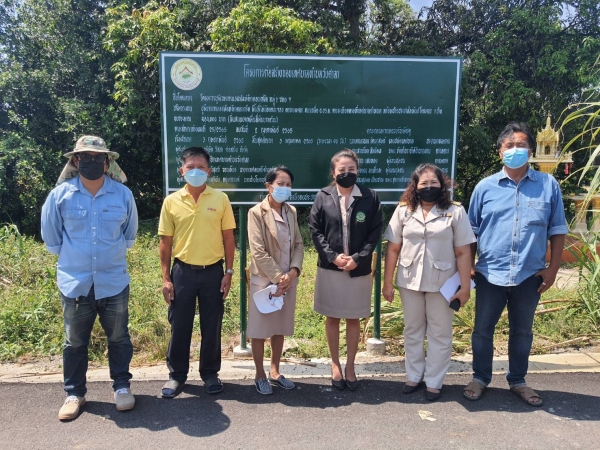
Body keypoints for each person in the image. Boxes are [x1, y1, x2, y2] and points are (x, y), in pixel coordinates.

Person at [464, 122, 568, 407]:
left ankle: (518, 381)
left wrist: (553, 268)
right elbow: (470, 231)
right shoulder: (485, 188)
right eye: (509, 146)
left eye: (521, 145)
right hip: (489, 273)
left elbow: (558, 229)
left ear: (531, 150)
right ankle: (480, 378)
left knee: (522, 332)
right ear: (500, 152)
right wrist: (469, 265)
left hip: (529, 274)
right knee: (482, 330)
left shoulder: (548, 185)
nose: (515, 150)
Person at [41, 135, 138, 420]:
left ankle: (122, 388)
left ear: (107, 162)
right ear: (75, 160)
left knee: (119, 337)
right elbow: (53, 240)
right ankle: (75, 394)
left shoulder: (123, 195)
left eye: (98, 158)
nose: (92, 162)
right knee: (74, 342)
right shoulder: (60, 196)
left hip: (114, 282)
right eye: (85, 157)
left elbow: (129, 236)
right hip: (75, 283)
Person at [382, 163, 476, 401]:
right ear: (415, 186)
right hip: (409, 280)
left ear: (442, 185)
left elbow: (463, 252)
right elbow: (393, 249)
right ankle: (414, 376)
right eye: (423, 183)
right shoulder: (403, 211)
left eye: (434, 182)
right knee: (412, 330)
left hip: (442, 283)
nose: (429, 187)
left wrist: (465, 287)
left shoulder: (455, 211)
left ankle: (434, 381)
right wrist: (387, 282)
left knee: (440, 332)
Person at [158, 146, 236, 398]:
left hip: (213, 272)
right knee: (180, 324)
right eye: (190, 167)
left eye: (201, 167)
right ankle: (177, 375)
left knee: (212, 324)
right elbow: (165, 242)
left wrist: (229, 272)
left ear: (209, 171)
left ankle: (210, 373)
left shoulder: (220, 199)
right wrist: (166, 278)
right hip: (182, 272)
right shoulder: (171, 202)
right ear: (181, 171)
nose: (195, 171)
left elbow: (229, 238)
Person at [309, 149, 383, 391]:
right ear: (333, 172)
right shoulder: (323, 196)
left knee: (353, 318)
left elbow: (375, 233)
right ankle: (335, 365)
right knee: (332, 317)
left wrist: (358, 259)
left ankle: (350, 366)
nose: (347, 173)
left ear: (357, 171)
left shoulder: (370, 197)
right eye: (342, 170)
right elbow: (315, 230)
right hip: (331, 268)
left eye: (351, 169)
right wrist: (332, 257)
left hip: (358, 269)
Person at [247, 166, 304, 395]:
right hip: (264, 281)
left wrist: (293, 272)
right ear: (268, 186)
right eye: (280, 184)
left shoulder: (291, 211)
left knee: (279, 327)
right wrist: (279, 278)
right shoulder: (256, 213)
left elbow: (298, 244)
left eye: (288, 184)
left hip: (287, 281)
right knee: (260, 330)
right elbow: (258, 251)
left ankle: (275, 371)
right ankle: (259, 374)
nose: (285, 188)